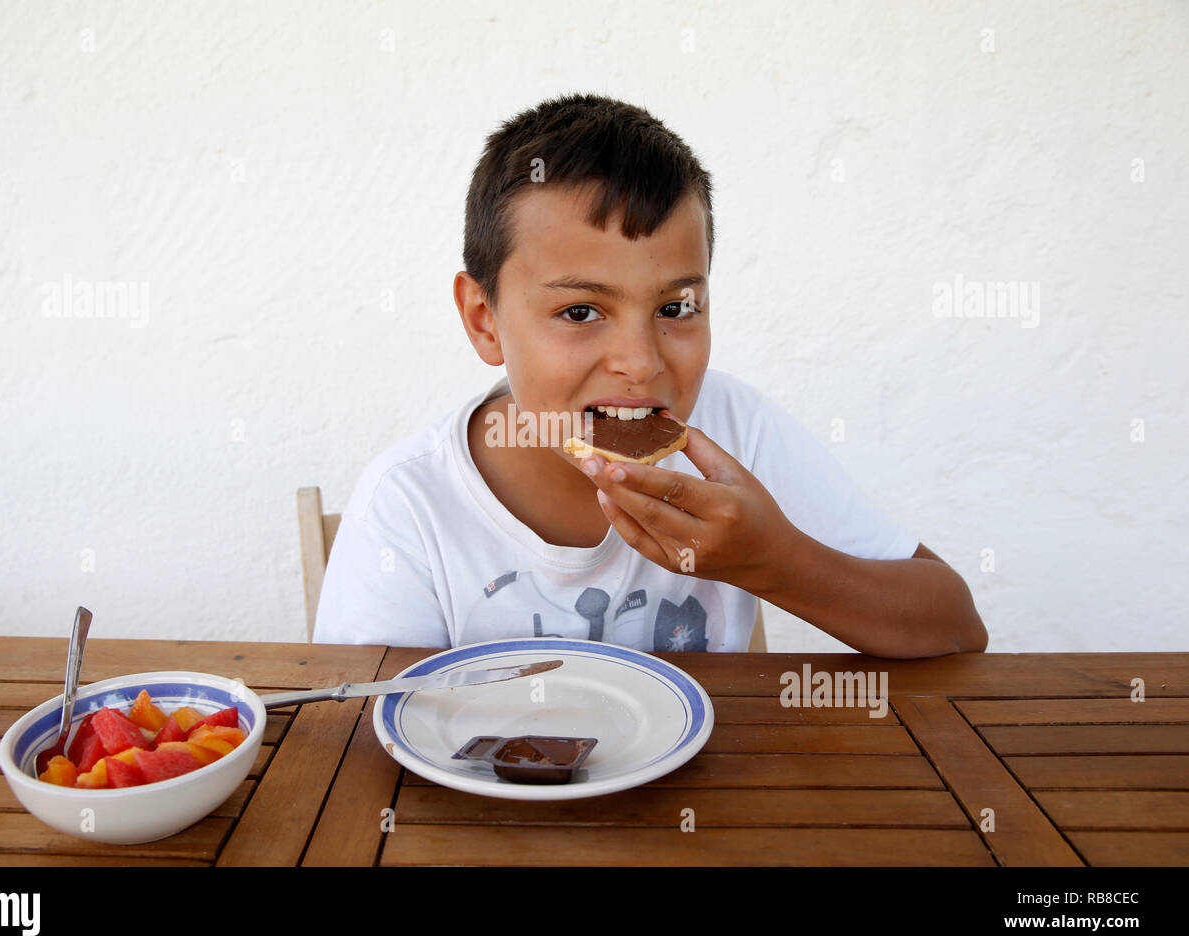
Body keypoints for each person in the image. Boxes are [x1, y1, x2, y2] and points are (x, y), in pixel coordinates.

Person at [315, 92, 987, 658]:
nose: (640, 362)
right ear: (485, 320)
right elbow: (363, 744)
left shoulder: (733, 432)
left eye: (675, 308)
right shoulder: (411, 505)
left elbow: (955, 626)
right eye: (580, 310)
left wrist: (775, 562)